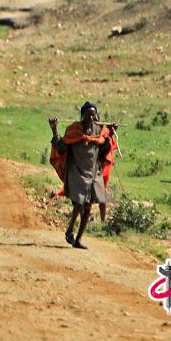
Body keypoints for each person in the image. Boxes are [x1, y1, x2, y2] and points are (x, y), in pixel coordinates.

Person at [48, 102, 116, 249]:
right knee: (80, 202)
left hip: (93, 173)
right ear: (82, 115)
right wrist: (54, 130)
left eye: (93, 114)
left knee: (88, 206)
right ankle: (70, 228)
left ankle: (78, 239)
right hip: (76, 171)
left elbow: (104, 150)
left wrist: (110, 134)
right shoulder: (73, 130)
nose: (91, 117)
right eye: (88, 114)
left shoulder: (99, 131)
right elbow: (61, 146)